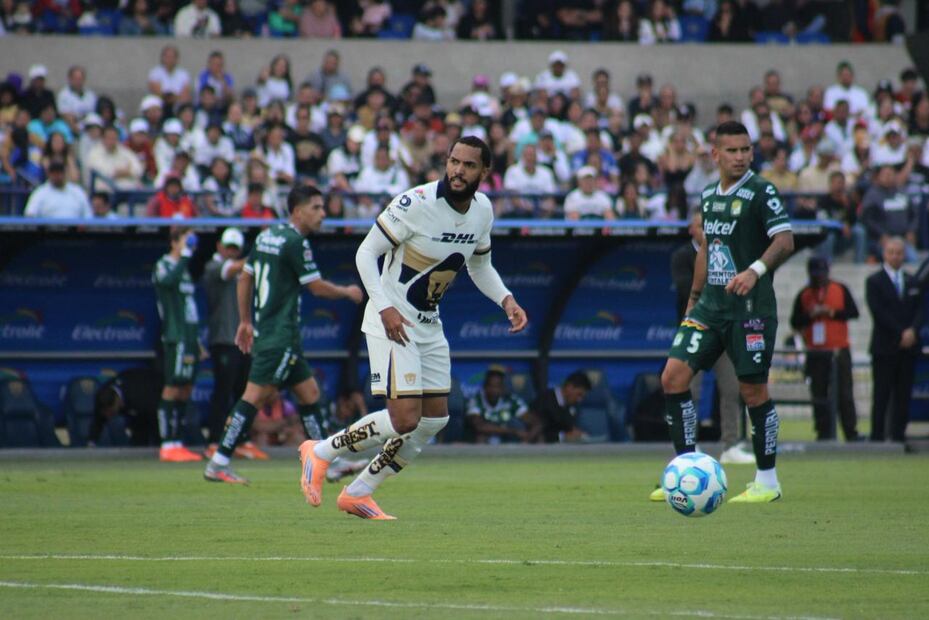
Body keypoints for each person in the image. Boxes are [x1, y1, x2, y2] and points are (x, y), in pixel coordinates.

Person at [299, 136, 528, 519]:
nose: (458, 170)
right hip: (392, 320)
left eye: (469, 165)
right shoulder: (415, 202)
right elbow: (365, 253)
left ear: (485, 172)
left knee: (434, 419)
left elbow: (479, 265)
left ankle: (359, 491)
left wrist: (506, 299)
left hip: (428, 323)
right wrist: (385, 308)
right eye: (454, 161)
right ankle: (320, 451)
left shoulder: (483, 211)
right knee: (404, 418)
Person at [661, 121, 795, 504]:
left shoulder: (761, 191)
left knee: (753, 391)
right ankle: (686, 470)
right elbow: (707, 246)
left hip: (750, 311)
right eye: (732, 150)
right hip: (710, 307)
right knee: (673, 376)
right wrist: (695, 295)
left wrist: (755, 270)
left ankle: (767, 481)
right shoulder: (708, 194)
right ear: (715, 154)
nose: (740, 157)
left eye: (745, 149)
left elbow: (785, 240)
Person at [204, 186, 364, 484]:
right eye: (316, 207)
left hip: (273, 332)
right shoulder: (295, 243)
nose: (323, 214)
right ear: (297, 211)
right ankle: (219, 461)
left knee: (310, 394)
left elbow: (245, 277)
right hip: (281, 335)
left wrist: (244, 321)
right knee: (254, 396)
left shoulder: (267, 236)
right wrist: (346, 291)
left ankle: (328, 462)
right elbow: (315, 287)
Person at [667, 208, 752, 470]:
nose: (704, 229)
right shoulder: (682, 256)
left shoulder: (726, 251)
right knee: (688, 389)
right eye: (699, 225)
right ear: (692, 230)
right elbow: (686, 289)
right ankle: (689, 445)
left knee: (731, 388)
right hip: (696, 328)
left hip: (724, 329)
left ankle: (730, 445)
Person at [202, 227, 261, 456]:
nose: (231, 252)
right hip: (223, 339)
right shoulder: (213, 266)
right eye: (228, 247)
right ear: (219, 246)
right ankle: (214, 440)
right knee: (222, 391)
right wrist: (260, 254)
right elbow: (230, 269)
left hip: (242, 340)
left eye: (235, 249)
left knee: (244, 392)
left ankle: (241, 439)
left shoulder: (241, 269)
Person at [789, 257, 861, 441]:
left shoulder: (840, 289)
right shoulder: (804, 294)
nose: (819, 279)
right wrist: (810, 316)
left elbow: (853, 312)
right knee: (819, 393)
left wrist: (832, 313)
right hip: (816, 351)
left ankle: (850, 432)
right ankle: (823, 432)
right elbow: (795, 321)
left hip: (839, 349)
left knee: (844, 393)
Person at [152, 228, 205, 463]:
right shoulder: (164, 264)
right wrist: (184, 256)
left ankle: (177, 441)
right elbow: (166, 282)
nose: (189, 244)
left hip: (190, 337)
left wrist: (198, 341)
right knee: (172, 386)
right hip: (175, 336)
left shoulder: (185, 270)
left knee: (186, 388)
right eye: (185, 239)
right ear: (174, 242)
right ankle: (166, 443)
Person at [866, 237, 922, 443]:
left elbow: (920, 311)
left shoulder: (913, 281)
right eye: (891, 252)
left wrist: (913, 331)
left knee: (903, 394)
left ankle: (899, 435)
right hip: (884, 347)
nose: (895, 256)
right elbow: (878, 313)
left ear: (904, 254)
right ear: (884, 254)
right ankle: (877, 436)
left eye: (899, 252)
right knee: (881, 394)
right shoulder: (874, 281)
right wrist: (901, 333)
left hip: (908, 349)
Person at [90, 367, 164, 447]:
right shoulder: (101, 397)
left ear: (117, 401)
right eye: (106, 412)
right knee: (137, 439)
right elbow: (98, 421)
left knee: (147, 429)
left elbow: (154, 414)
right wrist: (91, 443)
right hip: (135, 406)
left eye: (111, 411)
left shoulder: (137, 396)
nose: (108, 415)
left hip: (155, 392)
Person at [466, 367, 530, 444]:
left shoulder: (511, 400)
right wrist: (512, 431)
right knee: (480, 436)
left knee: (518, 424)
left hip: (508, 441)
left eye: (497, 386)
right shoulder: (476, 400)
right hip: (487, 441)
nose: (494, 390)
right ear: (485, 387)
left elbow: (536, 423)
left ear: (503, 388)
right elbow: (479, 426)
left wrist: (527, 438)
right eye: (491, 386)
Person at [523, 371, 590, 444]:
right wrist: (562, 437)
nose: (579, 400)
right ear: (569, 387)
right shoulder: (545, 400)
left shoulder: (571, 406)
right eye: (579, 394)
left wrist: (574, 432)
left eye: (582, 397)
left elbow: (566, 427)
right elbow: (535, 432)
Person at [23, 160, 91, 218]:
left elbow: (88, 215)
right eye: (54, 173)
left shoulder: (77, 191)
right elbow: (30, 215)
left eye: (59, 172)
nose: (57, 176)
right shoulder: (40, 192)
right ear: (49, 174)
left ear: (65, 173)